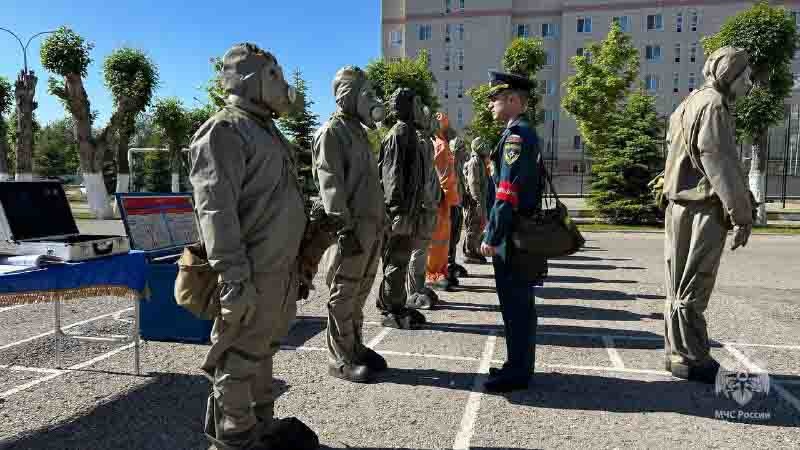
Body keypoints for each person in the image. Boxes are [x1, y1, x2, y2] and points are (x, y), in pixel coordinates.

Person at [190, 43, 318, 450]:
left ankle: (260, 423)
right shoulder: (224, 130)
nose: (283, 86)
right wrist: (232, 280)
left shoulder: (266, 131)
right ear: (250, 79)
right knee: (239, 356)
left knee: (264, 349)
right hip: (250, 271)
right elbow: (216, 212)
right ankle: (234, 436)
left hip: (279, 269)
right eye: (274, 76)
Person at [663, 46, 755, 384]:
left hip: (680, 205)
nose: (748, 84)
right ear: (729, 74)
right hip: (702, 207)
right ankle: (692, 356)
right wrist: (741, 214)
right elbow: (719, 162)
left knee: (677, 284)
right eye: (745, 77)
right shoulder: (714, 105)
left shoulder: (689, 102)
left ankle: (677, 351)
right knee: (694, 282)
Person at [312, 66, 388, 383]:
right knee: (343, 295)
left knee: (359, 293)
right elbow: (331, 185)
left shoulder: (359, 132)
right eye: (366, 93)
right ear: (348, 95)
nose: (372, 100)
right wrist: (343, 229)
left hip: (371, 228)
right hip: (351, 230)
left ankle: (354, 346)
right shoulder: (332, 132)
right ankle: (339, 357)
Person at [481, 71, 545, 393]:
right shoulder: (520, 133)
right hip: (520, 233)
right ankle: (517, 364)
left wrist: (492, 236)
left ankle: (518, 372)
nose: (490, 103)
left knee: (516, 305)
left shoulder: (516, 137)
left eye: (495, 97)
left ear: (512, 100)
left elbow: (506, 195)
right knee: (518, 305)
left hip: (514, 236)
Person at [378, 88, 428, 329]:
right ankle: (391, 307)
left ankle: (394, 301)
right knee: (395, 259)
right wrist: (397, 210)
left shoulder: (409, 132)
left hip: (409, 209)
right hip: (399, 211)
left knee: (400, 257)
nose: (417, 108)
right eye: (414, 103)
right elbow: (392, 174)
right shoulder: (398, 133)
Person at [406, 103, 441, 310]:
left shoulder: (427, 142)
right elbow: (421, 178)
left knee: (423, 251)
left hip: (429, 204)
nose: (435, 124)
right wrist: (428, 202)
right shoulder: (420, 142)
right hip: (422, 206)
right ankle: (413, 292)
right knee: (418, 252)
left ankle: (419, 287)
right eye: (432, 120)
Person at [426, 113, 461, 291]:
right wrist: (449, 198)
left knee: (442, 239)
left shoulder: (439, 144)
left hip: (444, 199)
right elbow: (443, 176)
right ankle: (432, 274)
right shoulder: (438, 145)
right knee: (437, 239)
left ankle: (440, 271)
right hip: (440, 199)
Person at [462, 137, 491, 263]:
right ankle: (469, 252)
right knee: (474, 226)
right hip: (474, 202)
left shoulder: (480, 161)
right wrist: (477, 202)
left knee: (479, 225)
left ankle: (473, 250)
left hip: (480, 200)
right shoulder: (474, 162)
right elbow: (473, 183)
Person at [447, 134, 470, 281]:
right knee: (450, 237)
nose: (464, 153)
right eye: (462, 149)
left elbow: (461, 184)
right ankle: (448, 265)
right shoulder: (450, 165)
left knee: (455, 236)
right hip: (450, 206)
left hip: (458, 204)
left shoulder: (458, 165)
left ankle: (451, 262)